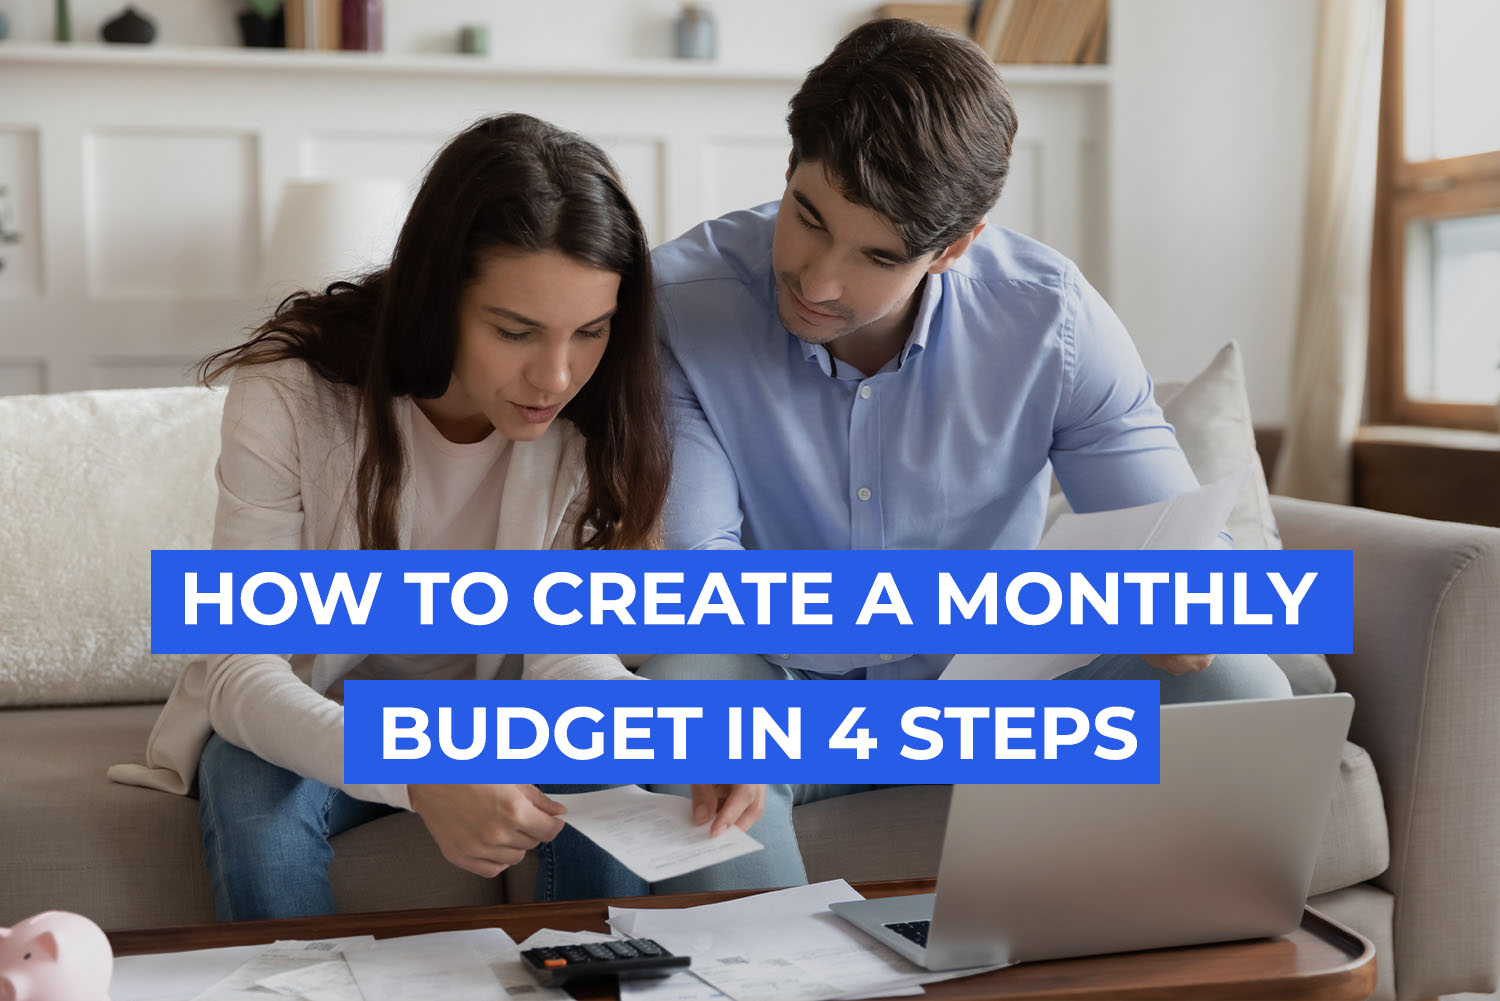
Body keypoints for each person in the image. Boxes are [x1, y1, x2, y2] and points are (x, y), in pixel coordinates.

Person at [639, 18, 1292, 887]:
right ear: (790, 166)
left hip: (990, 695)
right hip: (776, 683)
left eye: (878, 255)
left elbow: (1181, 547)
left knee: (1239, 687)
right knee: (687, 698)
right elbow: (696, 577)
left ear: (955, 246)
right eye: (808, 217)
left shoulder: (1051, 320)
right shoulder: (678, 307)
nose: (818, 279)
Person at [106, 114, 771, 919]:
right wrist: (421, 771)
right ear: (438, 296)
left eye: (590, 331)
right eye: (515, 331)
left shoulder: (595, 415)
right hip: (322, 710)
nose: (556, 375)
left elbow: (565, 654)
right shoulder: (289, 393)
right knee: (250, 790)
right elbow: (242, 668)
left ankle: (592, 972)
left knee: (606, 767)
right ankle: (304, 978)